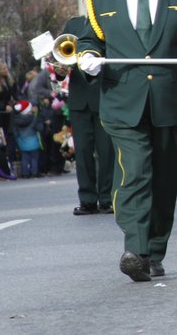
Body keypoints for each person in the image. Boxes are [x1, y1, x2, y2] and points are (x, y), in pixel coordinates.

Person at [76, 0, 177, 282]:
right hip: (122, 100)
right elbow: (89, 38)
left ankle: (154, 250)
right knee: (136, 172)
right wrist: (88, 56)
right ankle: (136, 249)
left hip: (167, 99)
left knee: (163, 178)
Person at [63, 15, 113, 215]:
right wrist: (59, 68)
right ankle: (87, 199)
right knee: (82, 151)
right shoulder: (73, 23)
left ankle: (107, 198)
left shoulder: (109, 18)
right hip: (79, 97)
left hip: (104, 93)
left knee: (106, 151)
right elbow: (63, 55)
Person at [11, 100, 41, 178]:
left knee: (24, 158)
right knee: (34, 158)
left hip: (22, 142)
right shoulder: (34, 118)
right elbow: (39, 128)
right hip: (33, 142)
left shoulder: (16, 120)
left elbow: (15, 132)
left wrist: (18, 139)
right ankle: (34, 172)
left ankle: (25, 173)